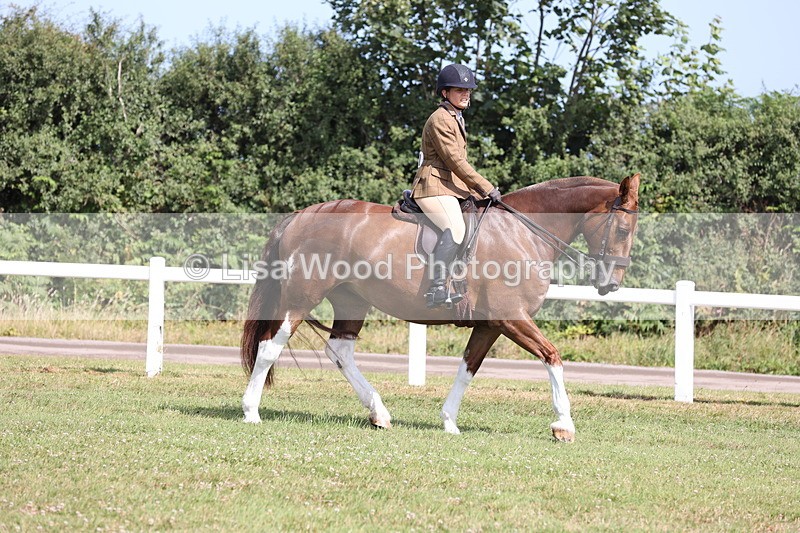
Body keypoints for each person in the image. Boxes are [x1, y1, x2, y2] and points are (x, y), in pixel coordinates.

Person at [411, 63, 502, 308]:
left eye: (468, 90)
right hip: (432, 186)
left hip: (449, 187)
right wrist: (485, 187)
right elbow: (454, 161)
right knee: (456, 227)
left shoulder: (455, 117)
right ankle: (437, 288)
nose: (465, 94)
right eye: (459, 90)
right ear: (445, 93)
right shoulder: (440, 119)